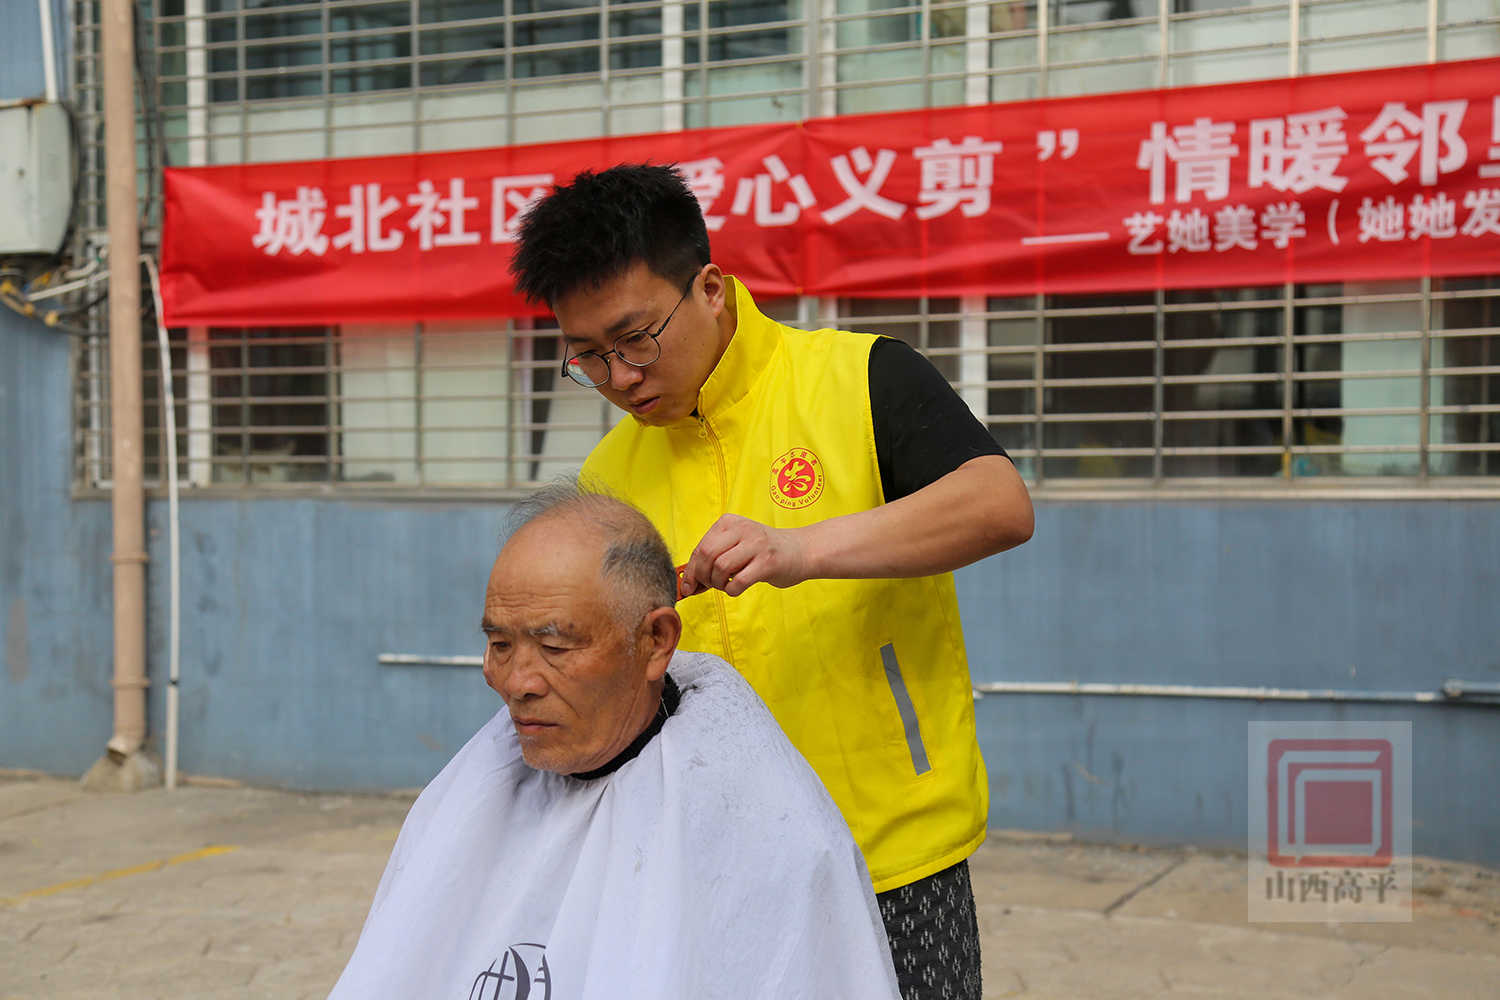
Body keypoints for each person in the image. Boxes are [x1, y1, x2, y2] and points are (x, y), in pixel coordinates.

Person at [509, 164, 1035, 1000]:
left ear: (710, 289)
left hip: (888, 850)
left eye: (636, 339)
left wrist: (803, 549)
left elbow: (998, 504)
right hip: (705, 859)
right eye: (590, 358)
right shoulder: (611, 474)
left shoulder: (860, 378)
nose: (621, 377)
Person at [330, 482, 901, 999]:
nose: (518, 683)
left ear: (656, 641)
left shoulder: (765, 831)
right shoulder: (461, 807)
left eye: (554, 647)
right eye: (500, 645)